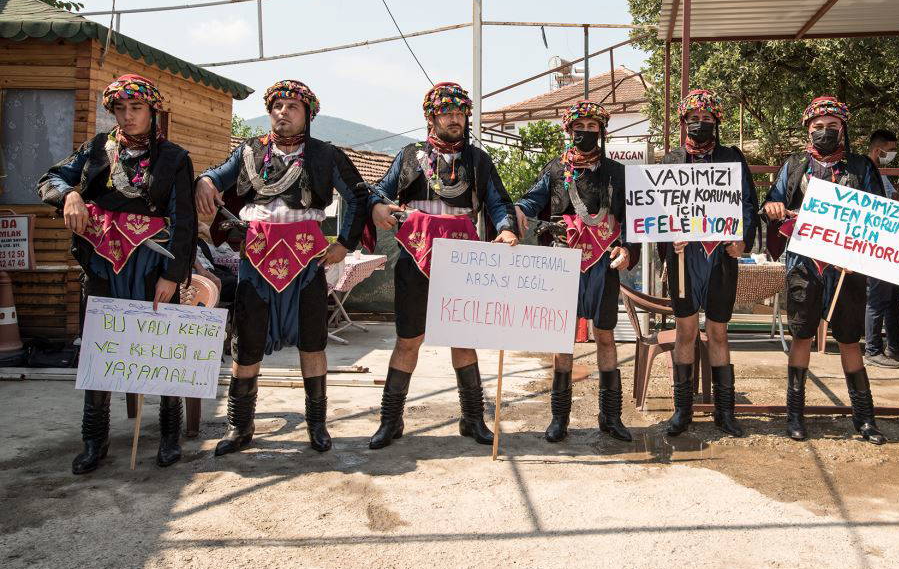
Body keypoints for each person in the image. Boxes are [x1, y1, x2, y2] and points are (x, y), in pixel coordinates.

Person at [196, 80, 368, 456]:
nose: (282, 112)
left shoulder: (325, 155)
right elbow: (218, 174)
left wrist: (344, 244)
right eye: (277, 105)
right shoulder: (248, 151)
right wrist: (206, 181)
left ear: (308, 114)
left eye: (292, 106)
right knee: (247, 341)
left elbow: (357, 195)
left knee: (312, 339)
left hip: (306, 258)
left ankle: (317, 426)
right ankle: (239, 427)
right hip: (255, 259)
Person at [39, 74, 197, 473]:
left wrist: (172, 275)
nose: (127, 116)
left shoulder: (174, 158)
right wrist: (71, 194)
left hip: (152, 266)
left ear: (152, 111)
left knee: (161, 349)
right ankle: (94, 442)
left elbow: (183, 220)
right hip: (103, 263)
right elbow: (50, 178)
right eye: (120, 109)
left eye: (136, 108)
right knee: (101, 346)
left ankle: (168, 438)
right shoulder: (95, 150)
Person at [367, 82, 518, 449]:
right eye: (446, 112)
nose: (455, 118)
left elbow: (498, 201)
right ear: (431, 117)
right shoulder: (409, 156)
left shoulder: (479, 160)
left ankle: (472, 419)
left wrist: (507, 228)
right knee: (408, 339)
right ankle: (391, 421)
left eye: (460, 112)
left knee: (463, 339)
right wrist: (376, 205)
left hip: (464, 260)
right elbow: (380, 190)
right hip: (415, 258)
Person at [763, 97, 888, 445]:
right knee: (802, 335)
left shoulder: (862, 167)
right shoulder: (794, 165)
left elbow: (880, 215)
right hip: (803, 264)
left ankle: (865, 420)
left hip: (847, 268)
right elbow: (772, 202)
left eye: (832, 126)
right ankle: (795, 417)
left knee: (849, 339)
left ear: (843, 129)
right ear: (807, 130)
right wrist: (772, 206)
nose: (825, 132)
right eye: (818, 127)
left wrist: (861, 255)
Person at [515, 100, 637, 442]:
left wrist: (627, 247)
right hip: (562, 262)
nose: (586, 133)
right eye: (579, 127)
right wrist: (519, 211)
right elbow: (532, 200)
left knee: (605, 335)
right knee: (562, 337)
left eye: (592, 127)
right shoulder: (555, 170)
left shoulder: (616, 172)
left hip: (603, 262)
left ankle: (611, 416)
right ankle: (559, 418)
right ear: (569, 131)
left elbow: (632, 217)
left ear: (601, 132)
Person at [660, 89, 758, 438]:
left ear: (716, 122)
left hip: (720, 257)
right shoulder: (670, 161)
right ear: (684, 122)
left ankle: (725, 412)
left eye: (706, 118)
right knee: (685, 330)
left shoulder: (733, 158)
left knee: (718, 330)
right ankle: (681, 411)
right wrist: (668, 237)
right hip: (684, 258)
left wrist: (742, 239)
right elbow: (657, 210)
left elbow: (747, 201)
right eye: (692, 118)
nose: (699, 124)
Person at [863, 129, 899, 368]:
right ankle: (873, 349)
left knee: (895, 296)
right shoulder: (863, 173)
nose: (893, 155)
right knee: (878, 297)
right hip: (877, 244)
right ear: (879, 150)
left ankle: (894, 346)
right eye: (891, 150)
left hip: (893, 244)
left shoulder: (881, 176)